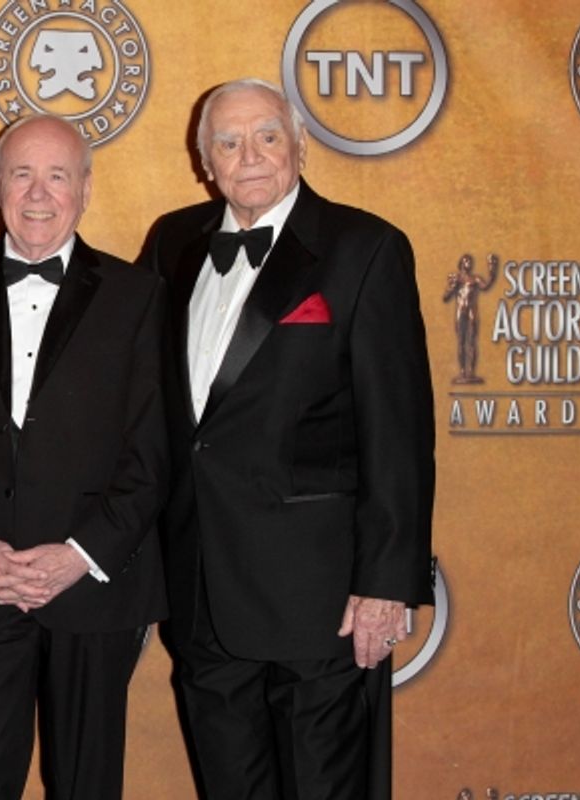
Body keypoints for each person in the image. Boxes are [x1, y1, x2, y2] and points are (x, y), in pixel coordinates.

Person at [139, 78, 435, 799]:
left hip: (320, 599)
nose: (250, 156)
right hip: (203, 588)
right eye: (229, 142)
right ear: (204, 159)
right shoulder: (174, 242)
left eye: (268, 135)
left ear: (301, 146)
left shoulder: (364, 249)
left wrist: (384, 585)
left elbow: (399, 429)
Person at [0, 114, 169, 800]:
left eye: (57, 176)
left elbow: (153, 451)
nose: (39, 194)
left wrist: (79, 554)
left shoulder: (140, 298)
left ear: (85, 188)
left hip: (95, 585)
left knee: (87, 782)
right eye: (22, 174)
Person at [444, 252, 498, 383]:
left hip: (471, 311)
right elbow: (446, 297)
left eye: (470, 262)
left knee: (472, 342)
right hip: (460, 310)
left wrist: (492, 271)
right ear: (462, 264)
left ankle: (471, 372)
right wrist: (451, 288)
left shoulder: (475, 279)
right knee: (461, 342)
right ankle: (463, 371)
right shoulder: (457, 279)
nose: (469, 264)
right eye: (466, 261)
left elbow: (486, 286)